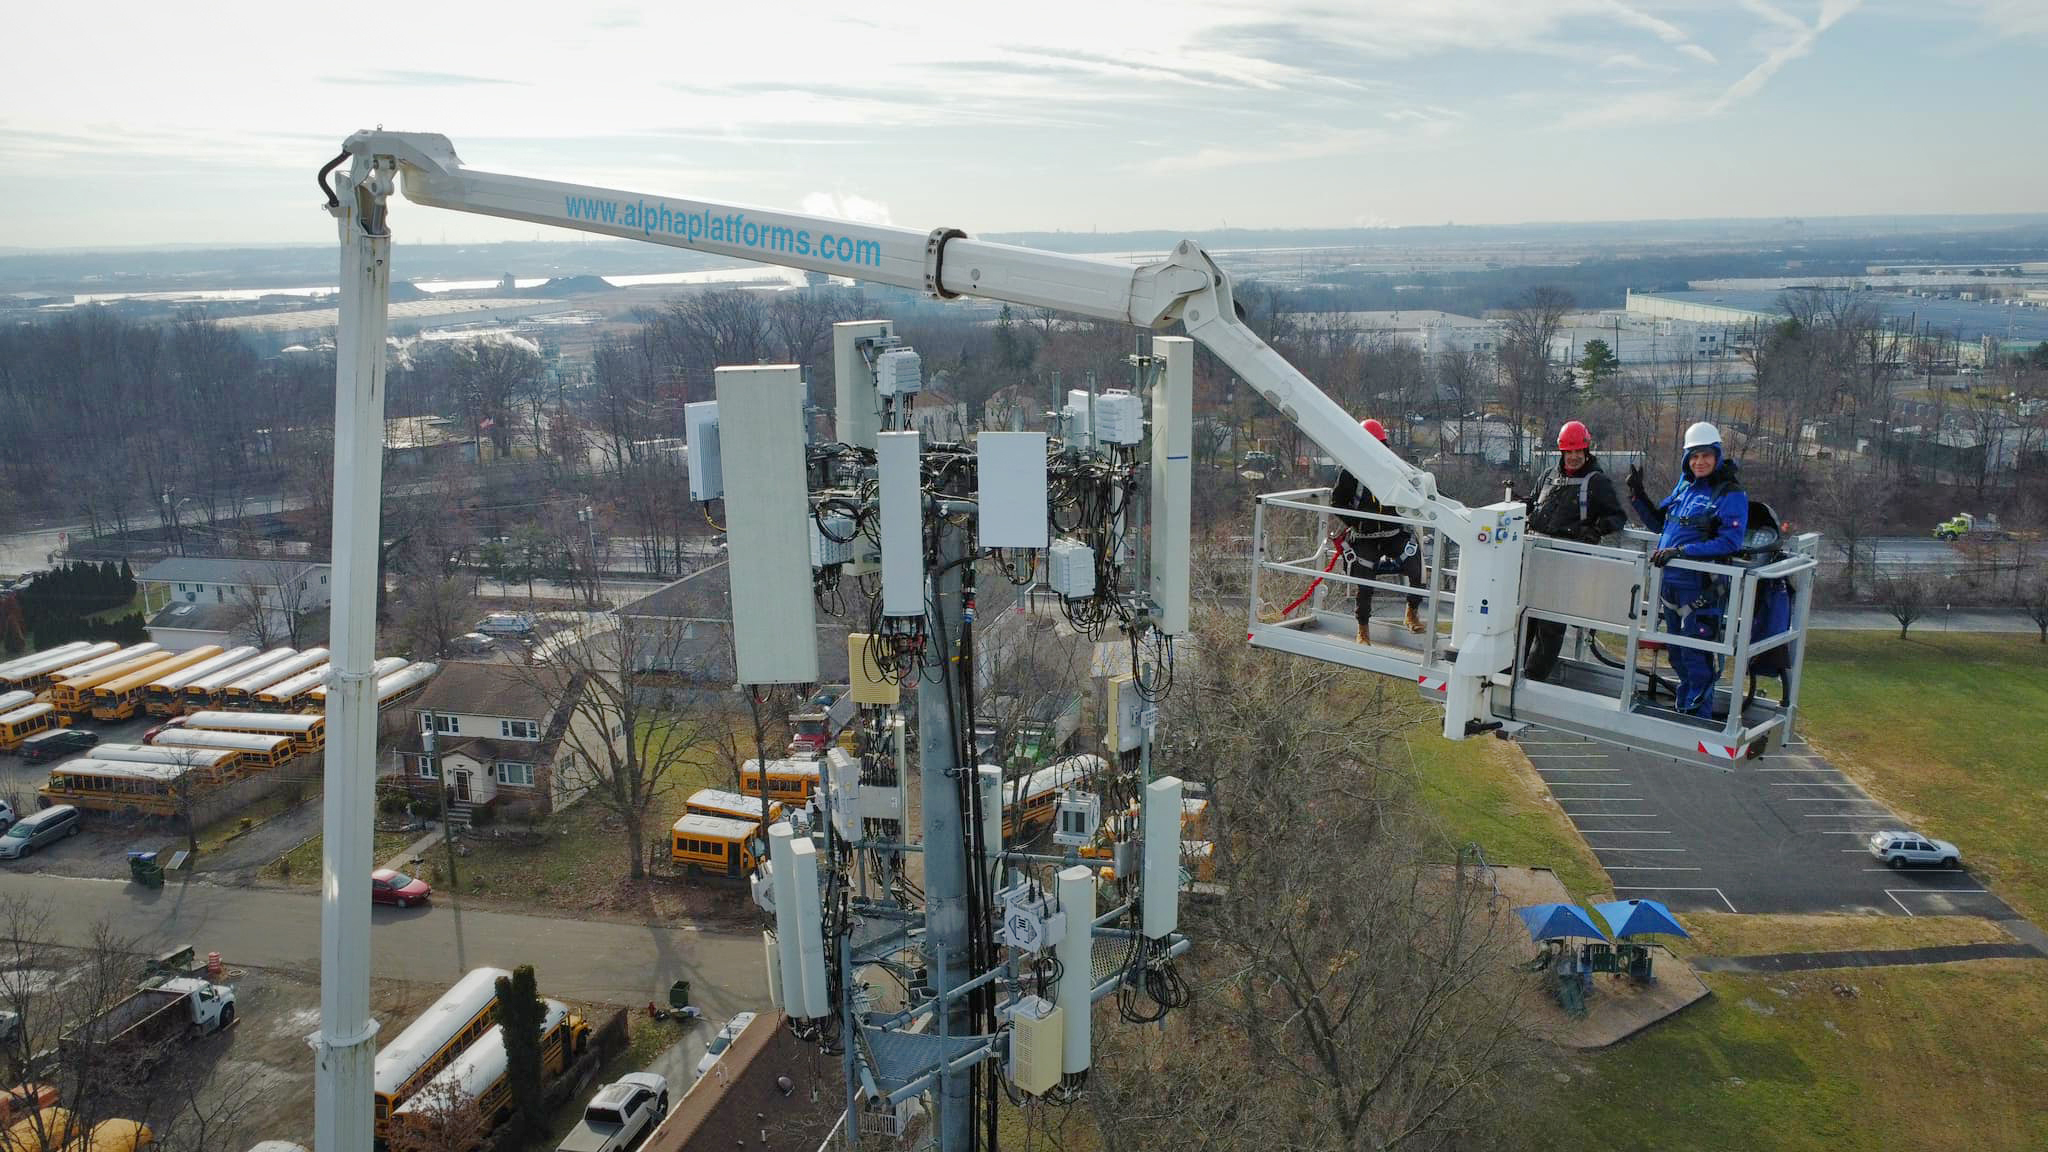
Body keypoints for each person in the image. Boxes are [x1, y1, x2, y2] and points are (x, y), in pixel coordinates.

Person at [1627, 421, 1748, 718]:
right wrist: (1637, 496)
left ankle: (1698, 718)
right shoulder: (1685, 487)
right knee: (1679, 655)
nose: (1700, 462)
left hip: (1700, 589)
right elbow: (1660, 525)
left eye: (1706, 455)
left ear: (1717, 456)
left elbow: (1730, 541)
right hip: (1671, 587)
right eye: (1694, 456)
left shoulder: (1729, 494)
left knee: (1696, 657)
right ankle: (1684, 709)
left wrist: (1682, 552)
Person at [1520, 420, 1627, 681]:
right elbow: (1535, 503)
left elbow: (1617, 517)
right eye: (1570, 451)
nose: (1575, 456)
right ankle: (1513, 669)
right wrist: (1522, 505)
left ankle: (1533, 679)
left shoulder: (1596, 482)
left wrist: (1595, 529)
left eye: (1579, 451)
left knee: (1551, 627)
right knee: (1523, 620)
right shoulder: (1548, 476)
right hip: (1535, 558)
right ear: (1562, 452)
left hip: (1567, 563)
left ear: (1587, 450)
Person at [1330, 418, 1424, 644]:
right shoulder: (1350, 472)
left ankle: (1412, 612)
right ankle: (1363, 627)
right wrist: (1358, 521)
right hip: (1364, 535)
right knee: (1365, 576)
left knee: (1416, 564)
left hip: (1393, 532)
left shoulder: (1394, 467)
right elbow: (1337, 502)